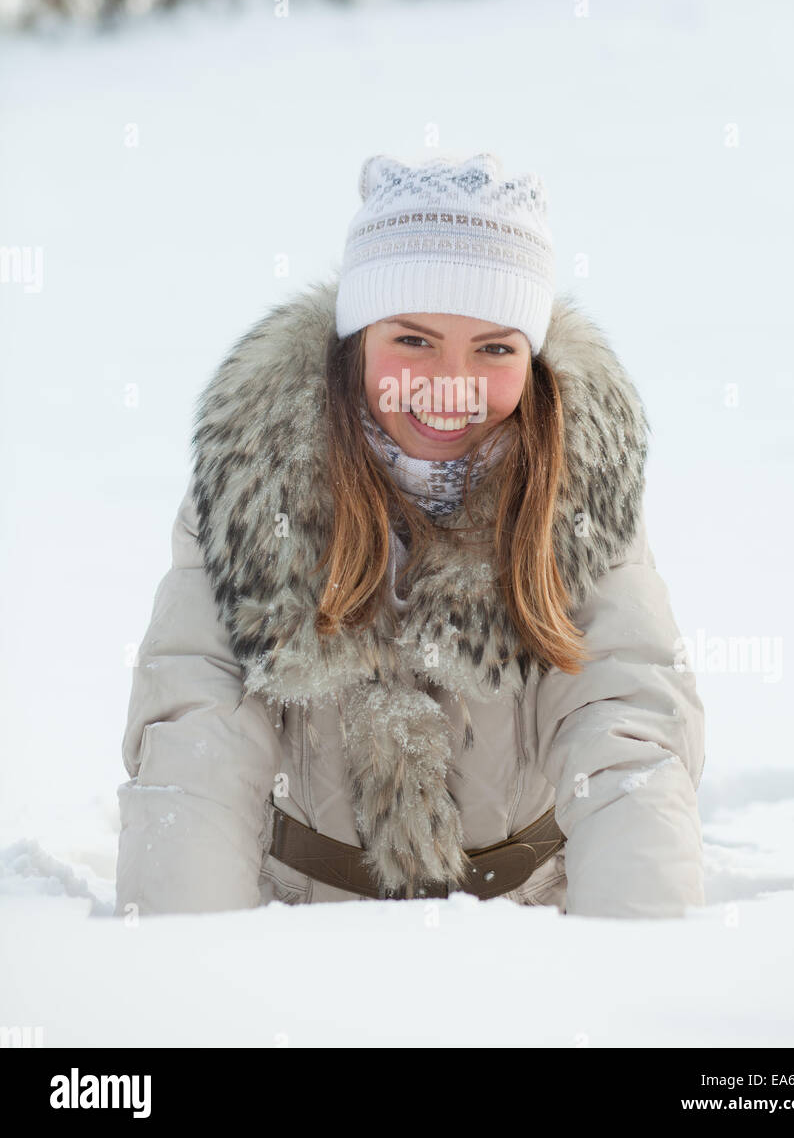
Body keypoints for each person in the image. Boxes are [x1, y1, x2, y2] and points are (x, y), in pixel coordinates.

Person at [113, 151, 705, 918]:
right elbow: (200, 730)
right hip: (304, 920)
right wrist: (185, 961)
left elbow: (626, 726)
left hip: (521, 921)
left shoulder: (577, 489)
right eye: (414, 341)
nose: (450, 384)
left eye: (493, 348)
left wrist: (640, 966)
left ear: (531, 357)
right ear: (358, 338)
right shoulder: (257, 481)